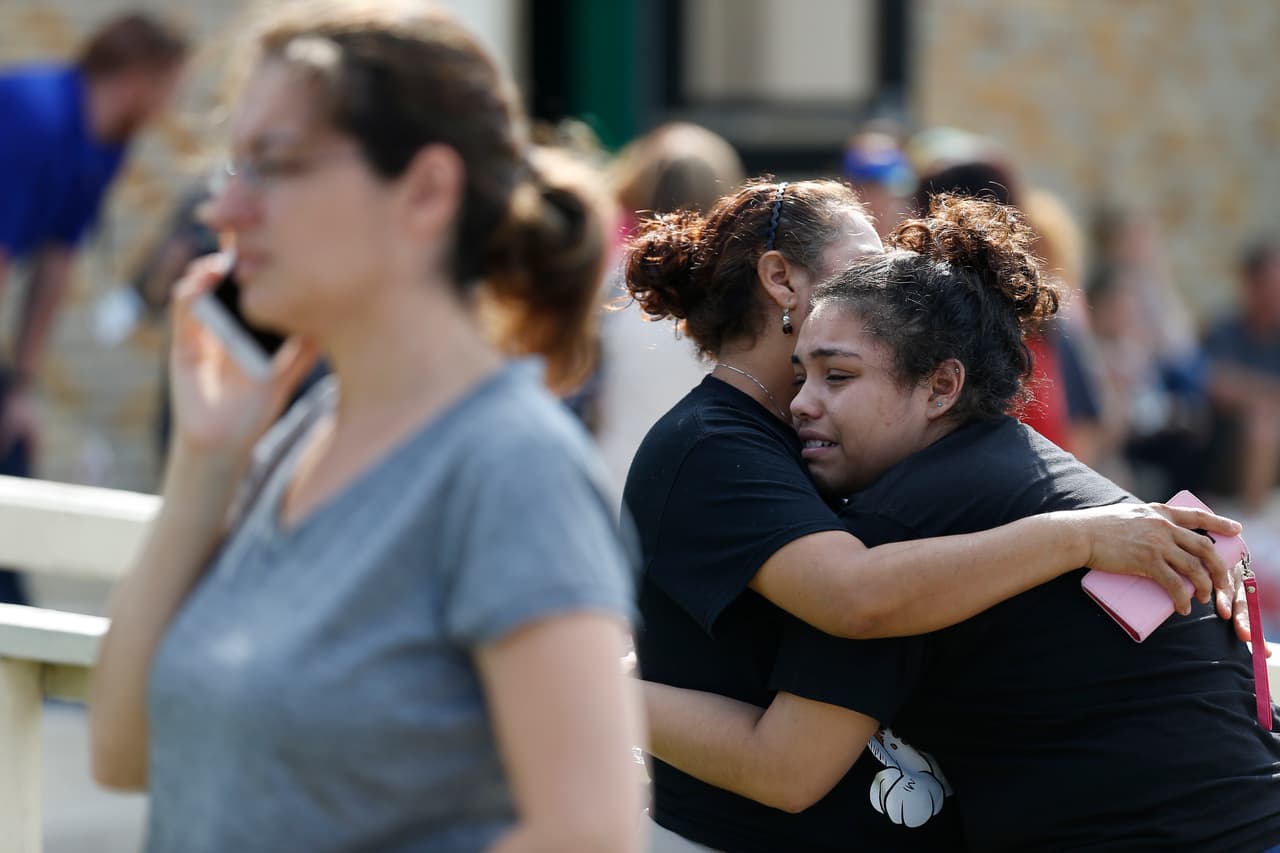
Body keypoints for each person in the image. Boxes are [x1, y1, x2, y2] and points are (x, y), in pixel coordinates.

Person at [88, 3, 643, 851]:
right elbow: (126, 750)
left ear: (424, 191)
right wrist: (206, 458)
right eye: (236, 167)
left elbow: (589, 834)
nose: (225, 210)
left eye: (272, 166)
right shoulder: (295, 436)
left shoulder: (510, 466)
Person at [642, 195, 1280, 852]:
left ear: (942, 386)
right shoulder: (1013, 468)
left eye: (838, 375)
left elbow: (789, 755)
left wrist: (600, 688)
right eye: (806, 376)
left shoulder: (912, 513)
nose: (805, 403)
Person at [0, 11, 187, 604]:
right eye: (168, 89)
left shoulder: (103, 143)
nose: (166, 109)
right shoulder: (34, 111)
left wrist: (20, 386)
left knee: (12, 452)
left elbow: (55, 265)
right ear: (139, 76)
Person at [1204, 238, 1280, 514]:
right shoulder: (1225, 331)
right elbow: (1218, 386)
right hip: (1226, 448)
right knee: (1263, 421)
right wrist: (1267, 397)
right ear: (1251, 284)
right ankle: (1254, 520)